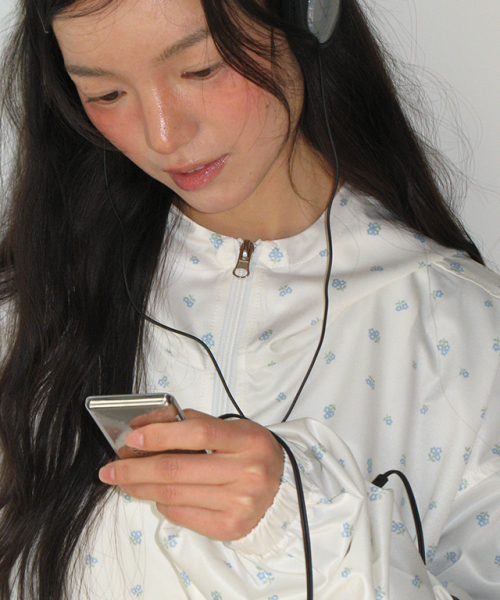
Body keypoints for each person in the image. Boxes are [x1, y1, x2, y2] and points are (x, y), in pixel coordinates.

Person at [0, 0, 498, 598]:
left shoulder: (466, 332)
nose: (164, 134)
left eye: (201, 69)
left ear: (309, 15)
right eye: (106, 94)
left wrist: (306, 528)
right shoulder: (27, 309)